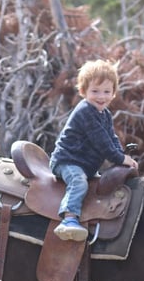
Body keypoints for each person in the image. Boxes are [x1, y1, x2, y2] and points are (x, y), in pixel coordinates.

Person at [49, 59, 138, 241]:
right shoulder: (85, 111)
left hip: (86, 165)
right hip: (68, 161)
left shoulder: (105, 114)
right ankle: (69, 218)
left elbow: (111, 138)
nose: (101, 96)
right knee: (78, 182)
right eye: (95, 91)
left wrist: (123, 156)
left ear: (113, 93)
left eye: (106, 91)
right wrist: (120, 159)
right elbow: (102, 142)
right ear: (83, 91)